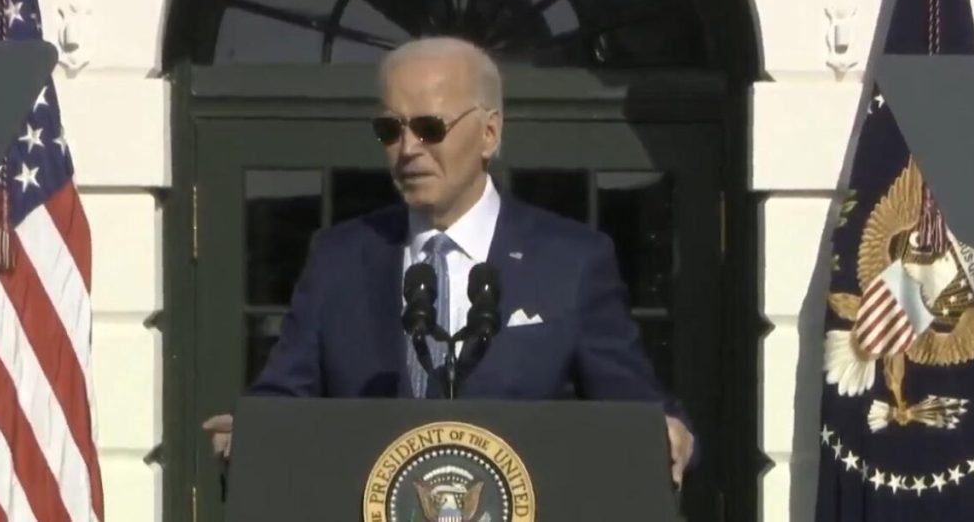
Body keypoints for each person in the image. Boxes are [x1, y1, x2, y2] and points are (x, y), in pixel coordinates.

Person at [203, 36, 695, 484]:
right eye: (390, 130)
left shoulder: (571, 260)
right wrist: (253, 432)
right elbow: (286, 394)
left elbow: (634, 407)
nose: (408, 149)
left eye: (429, 128)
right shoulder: (339, 257)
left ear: (489, 133)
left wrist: (668, 433)